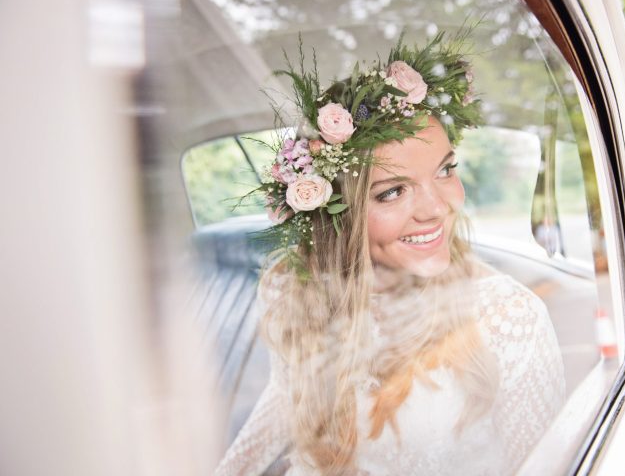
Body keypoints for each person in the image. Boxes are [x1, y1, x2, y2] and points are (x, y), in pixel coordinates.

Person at [214, 31, 565, 476]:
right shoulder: (291, 284)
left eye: (445, 170)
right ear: (336, 212)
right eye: (393, 191)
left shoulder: (510, 317)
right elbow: (286, 394)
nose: (438, 208)